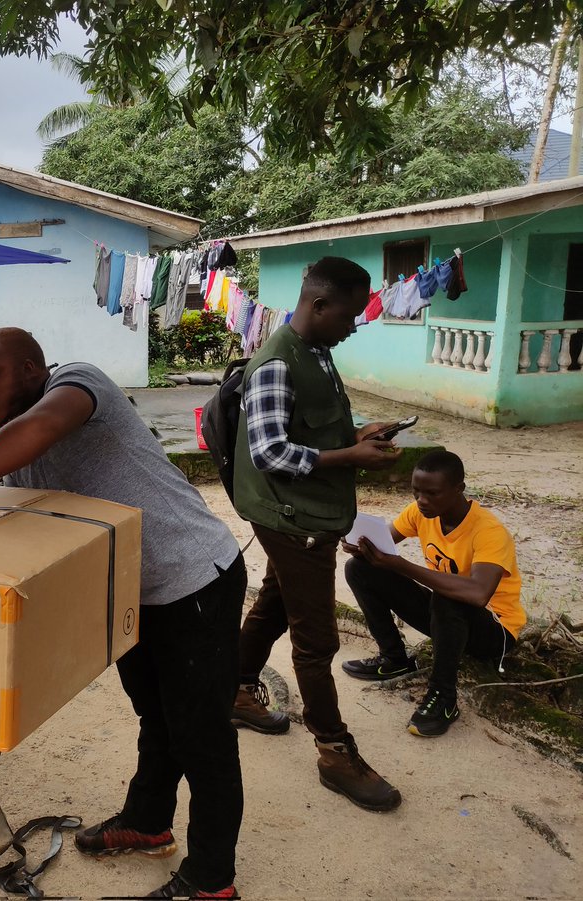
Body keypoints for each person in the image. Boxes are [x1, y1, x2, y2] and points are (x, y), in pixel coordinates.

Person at [0, 328, 246, 901]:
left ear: (34, 368)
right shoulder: (16, 458)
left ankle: (212, 882)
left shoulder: (79, 384)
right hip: (132, 595)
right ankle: (149, 820)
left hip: (192, 581)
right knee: (156, 717)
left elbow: (39, 427)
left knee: (202, 739)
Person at [230, 257, 405, 813]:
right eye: (350, 315)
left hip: (306, 513)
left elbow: (310, 429)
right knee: (316, 640)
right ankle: (334, 751)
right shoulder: (277, 363)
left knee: (277, 605)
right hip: (291, 518)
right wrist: (351, 455)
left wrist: (357, 434)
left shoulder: (317, 353)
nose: (355, 325)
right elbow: (270, 452)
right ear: (319, 305)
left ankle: (232, 691)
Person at [341, 449, 525, 736]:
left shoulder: (489, 531)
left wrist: (400, 565)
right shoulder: (421, 513)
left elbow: (478, 594)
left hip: (495, 631)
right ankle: (394, 658)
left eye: (432, 493)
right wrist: (362, 546)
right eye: (416, 492)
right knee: (359, 568)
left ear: (458, 489)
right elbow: (384, 542)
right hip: (447, 617)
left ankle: (444, 697)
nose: (422, 501)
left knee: (447, 597)